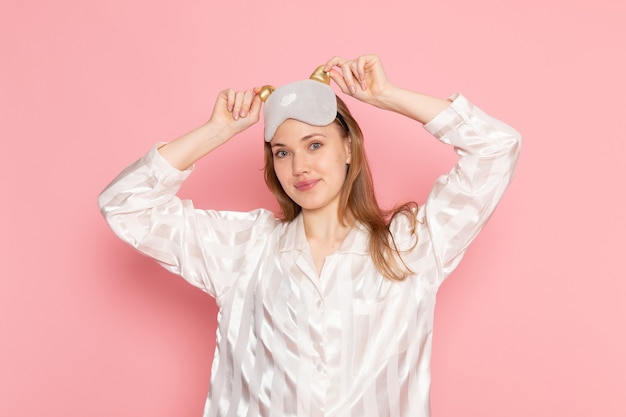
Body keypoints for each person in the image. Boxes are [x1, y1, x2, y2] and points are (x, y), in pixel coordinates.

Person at [98, 54, 521, 417]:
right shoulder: (243, 248)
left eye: (315, 144)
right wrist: (217, 131)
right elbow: (125, 204)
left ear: (349, 148)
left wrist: (387, 96)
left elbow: (496, 148)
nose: (299, 166)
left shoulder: (410, 246)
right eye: (283, 152)